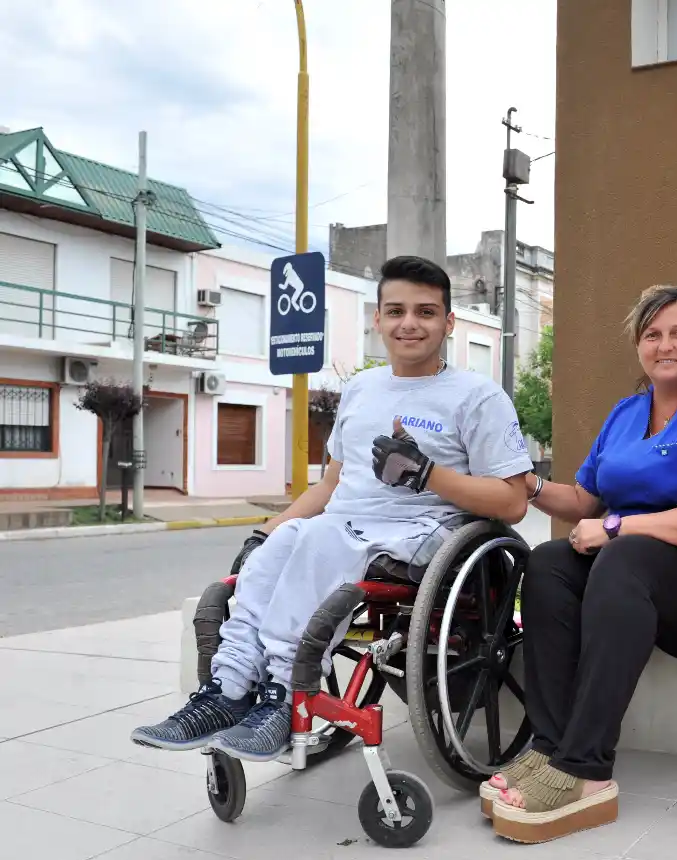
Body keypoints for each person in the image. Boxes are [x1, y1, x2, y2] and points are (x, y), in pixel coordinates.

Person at [130, 255, 532, 761]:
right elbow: (332, 484)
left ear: (449, 322)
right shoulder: (362, 388)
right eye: (396, 311)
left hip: (423, 530)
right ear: (378, 320)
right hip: (347, 524)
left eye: (426, 312)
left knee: (319, 537)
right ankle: (226, 692)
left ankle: (284, 695)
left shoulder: (477, 396)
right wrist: (269, 530)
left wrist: (429, 475)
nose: (409, 323)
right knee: (285, 543)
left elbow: (513, 501)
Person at [485, 284, 677, 844]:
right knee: (551, 561)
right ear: (638, 346)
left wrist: (617, 527)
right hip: (634, 571)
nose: (665, 345)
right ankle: (551, 745)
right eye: (652, 335)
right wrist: (527, 485)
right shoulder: (626, 414)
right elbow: (585, 501)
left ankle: (586, 769)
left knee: (624, 556)